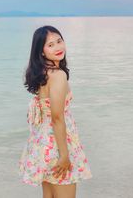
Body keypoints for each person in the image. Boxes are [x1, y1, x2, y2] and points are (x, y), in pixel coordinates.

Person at [18, 25, 92, 198]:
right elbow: (57, 117)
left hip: (43, 143)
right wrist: (64, 155)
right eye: (50, 45)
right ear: (41, 51)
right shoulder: (58, 75)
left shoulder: (43, 73)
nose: (58, 47)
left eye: (59, 41)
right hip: (58, 146)